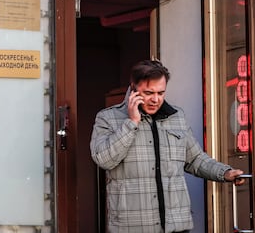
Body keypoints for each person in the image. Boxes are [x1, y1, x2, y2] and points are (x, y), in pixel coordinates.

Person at [90, 59, 244, 233]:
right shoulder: (107, 118)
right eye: (149, 93)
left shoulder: (177, 117)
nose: (156, 99)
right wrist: (131, 123)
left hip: (176, 226)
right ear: (133, 88)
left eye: (161, 93)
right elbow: (103, 159)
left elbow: (195, 159)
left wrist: (224, 172)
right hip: (131, 226)